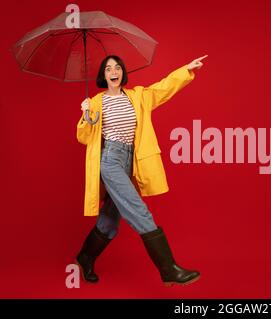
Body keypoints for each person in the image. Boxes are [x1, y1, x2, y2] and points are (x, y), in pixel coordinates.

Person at [75, 54, 207, 286]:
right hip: (110, 161)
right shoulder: (96, 102)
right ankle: (168, 269)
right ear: (103, 76)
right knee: (139, 211)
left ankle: (85, 257)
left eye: (117, 67)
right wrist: (86, 114)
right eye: (108, 69)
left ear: (122, 72)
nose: (113, 71)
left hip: (129, 161)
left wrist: (186, 69)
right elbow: (84, 137)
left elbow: (162, 88)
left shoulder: (137, 96)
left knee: (109, 222)